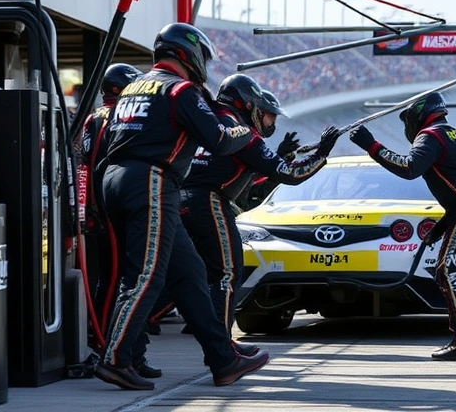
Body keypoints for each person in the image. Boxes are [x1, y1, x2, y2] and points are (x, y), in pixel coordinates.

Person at [95, 22, 269, 390]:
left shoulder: (133, 87)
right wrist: (244, 130)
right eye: (202, 56)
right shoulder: (181, 89)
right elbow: (220, 140)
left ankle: (223, 359)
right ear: (188, 53)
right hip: (151, 181)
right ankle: (115, 359)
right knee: (146, 277)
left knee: (187, 274)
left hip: (115, 179)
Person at [180, 74, 341, 353]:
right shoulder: (242, 132)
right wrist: (322, 153)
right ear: (249, 106)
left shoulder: (208, 122)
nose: (271, 123)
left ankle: (130, 350)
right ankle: (221, 348)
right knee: (227, 273)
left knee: (172, 276)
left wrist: (279, 154)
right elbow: (292, 175)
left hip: (176, 199)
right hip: (208, 202)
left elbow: (250, 180)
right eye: (268, 116)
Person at [348, 92, 456, 361]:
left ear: (418, 115)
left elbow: (409, 168)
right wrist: (441, 228)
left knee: (450, 269)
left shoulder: (430, 136)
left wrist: (371, 145)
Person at [71, 63, 162, 380]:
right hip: (110, 209)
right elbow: (101, 165)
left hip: (98, 208)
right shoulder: (115, 119)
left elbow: (85, 165)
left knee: (122, 280)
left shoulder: (91, 119)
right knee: (118, 281)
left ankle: (131, 351)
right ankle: (111, 347)